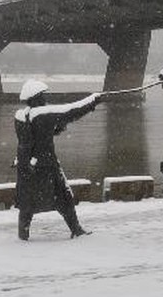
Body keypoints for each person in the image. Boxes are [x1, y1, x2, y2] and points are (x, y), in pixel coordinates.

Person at [14, 80, 100, 240]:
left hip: (26, 166)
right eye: (42, 96)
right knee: (63, 196)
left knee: (27, 203)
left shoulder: (20, 116)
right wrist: (93, 101)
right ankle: (76, 229)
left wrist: (55, 128)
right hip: (45, 165)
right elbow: (71, 111)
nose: (45, 99)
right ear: (36, 98)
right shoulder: (42, 115)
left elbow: (36, 135)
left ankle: (23, 234)